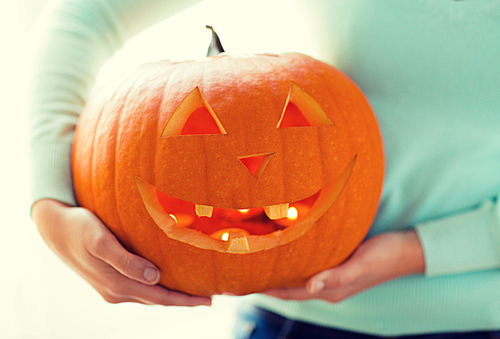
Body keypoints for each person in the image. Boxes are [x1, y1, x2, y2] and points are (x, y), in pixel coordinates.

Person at [27, 0, 500, 338]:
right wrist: (51, 203)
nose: (251, 163)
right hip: (296, 323)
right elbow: (89, 12)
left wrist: (416, 252)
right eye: (198, 128)